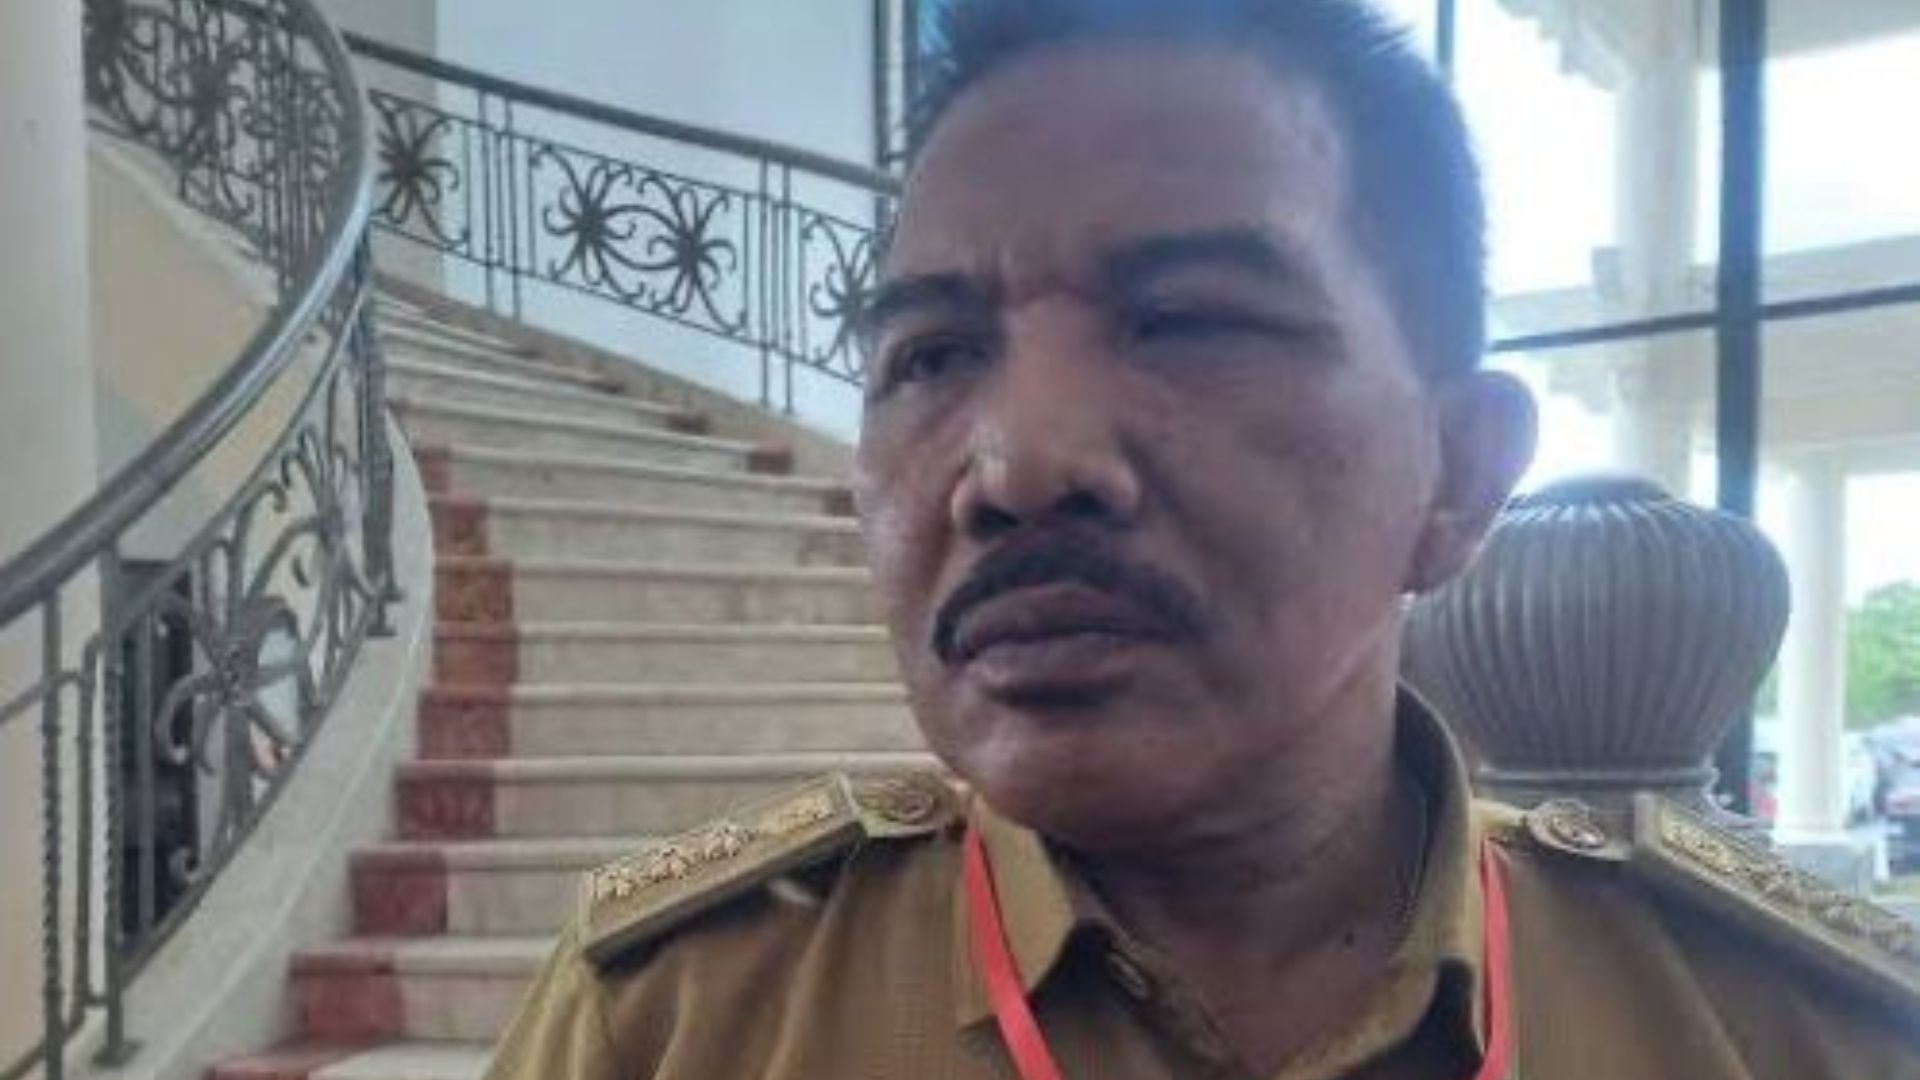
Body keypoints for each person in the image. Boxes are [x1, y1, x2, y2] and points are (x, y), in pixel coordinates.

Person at [481, 1, 1920, 1077]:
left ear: (1459, 472)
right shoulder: (676, 1025)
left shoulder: (1781, 1030)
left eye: (1185, 322)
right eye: (933, 355)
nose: (1020, 466)